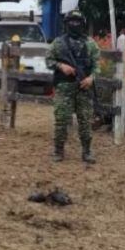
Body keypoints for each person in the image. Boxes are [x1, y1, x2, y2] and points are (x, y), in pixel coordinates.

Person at [46, 10, 101, 164]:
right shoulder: (58, 43)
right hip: (64, 88)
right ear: (66, 23)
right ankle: (58, 151)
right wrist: (61, 66)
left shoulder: (90, 44)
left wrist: (91, 78)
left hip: (84, 88)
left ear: (82, 24)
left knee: (85, 122)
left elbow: (97, 66)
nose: (74, 24)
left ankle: (87, 152)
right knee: (61, 120)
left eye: (77, 21)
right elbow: (48, 61)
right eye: (71, 21)